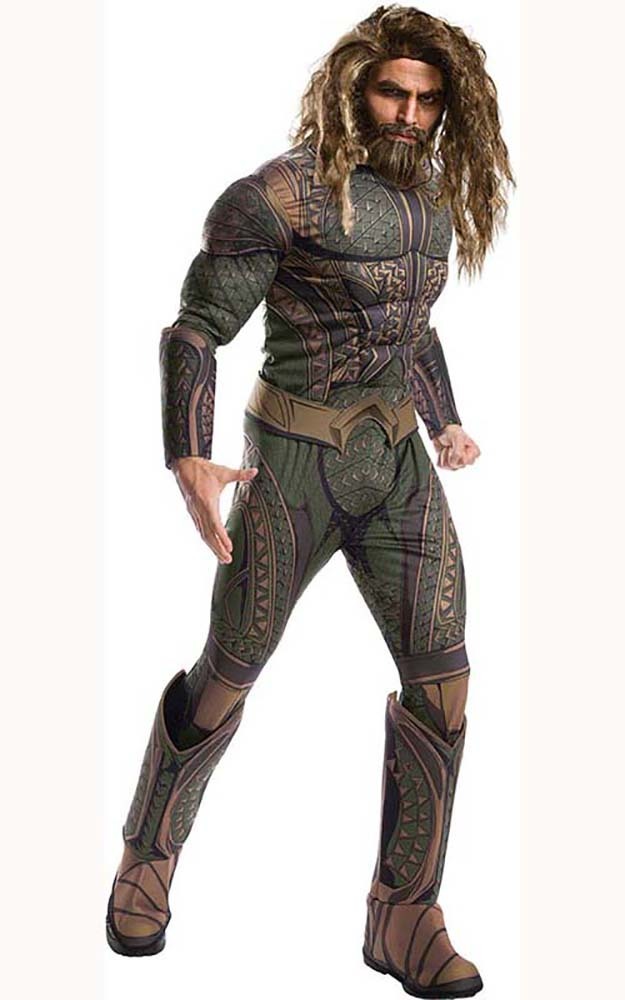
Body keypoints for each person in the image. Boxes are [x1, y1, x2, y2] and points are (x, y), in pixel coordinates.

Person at [105, 5, 514, 997]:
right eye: (392, 92)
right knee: (230, 669)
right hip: (291, 467)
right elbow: (196, 328)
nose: (409, 114)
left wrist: (446, 419)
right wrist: (187, 453)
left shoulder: (429, 204)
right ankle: (147, 854)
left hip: (396, 467)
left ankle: (403, 914)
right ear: (351, 89)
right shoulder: (277, 197)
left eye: (427, 99)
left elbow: (409, 325)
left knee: (445, 680)